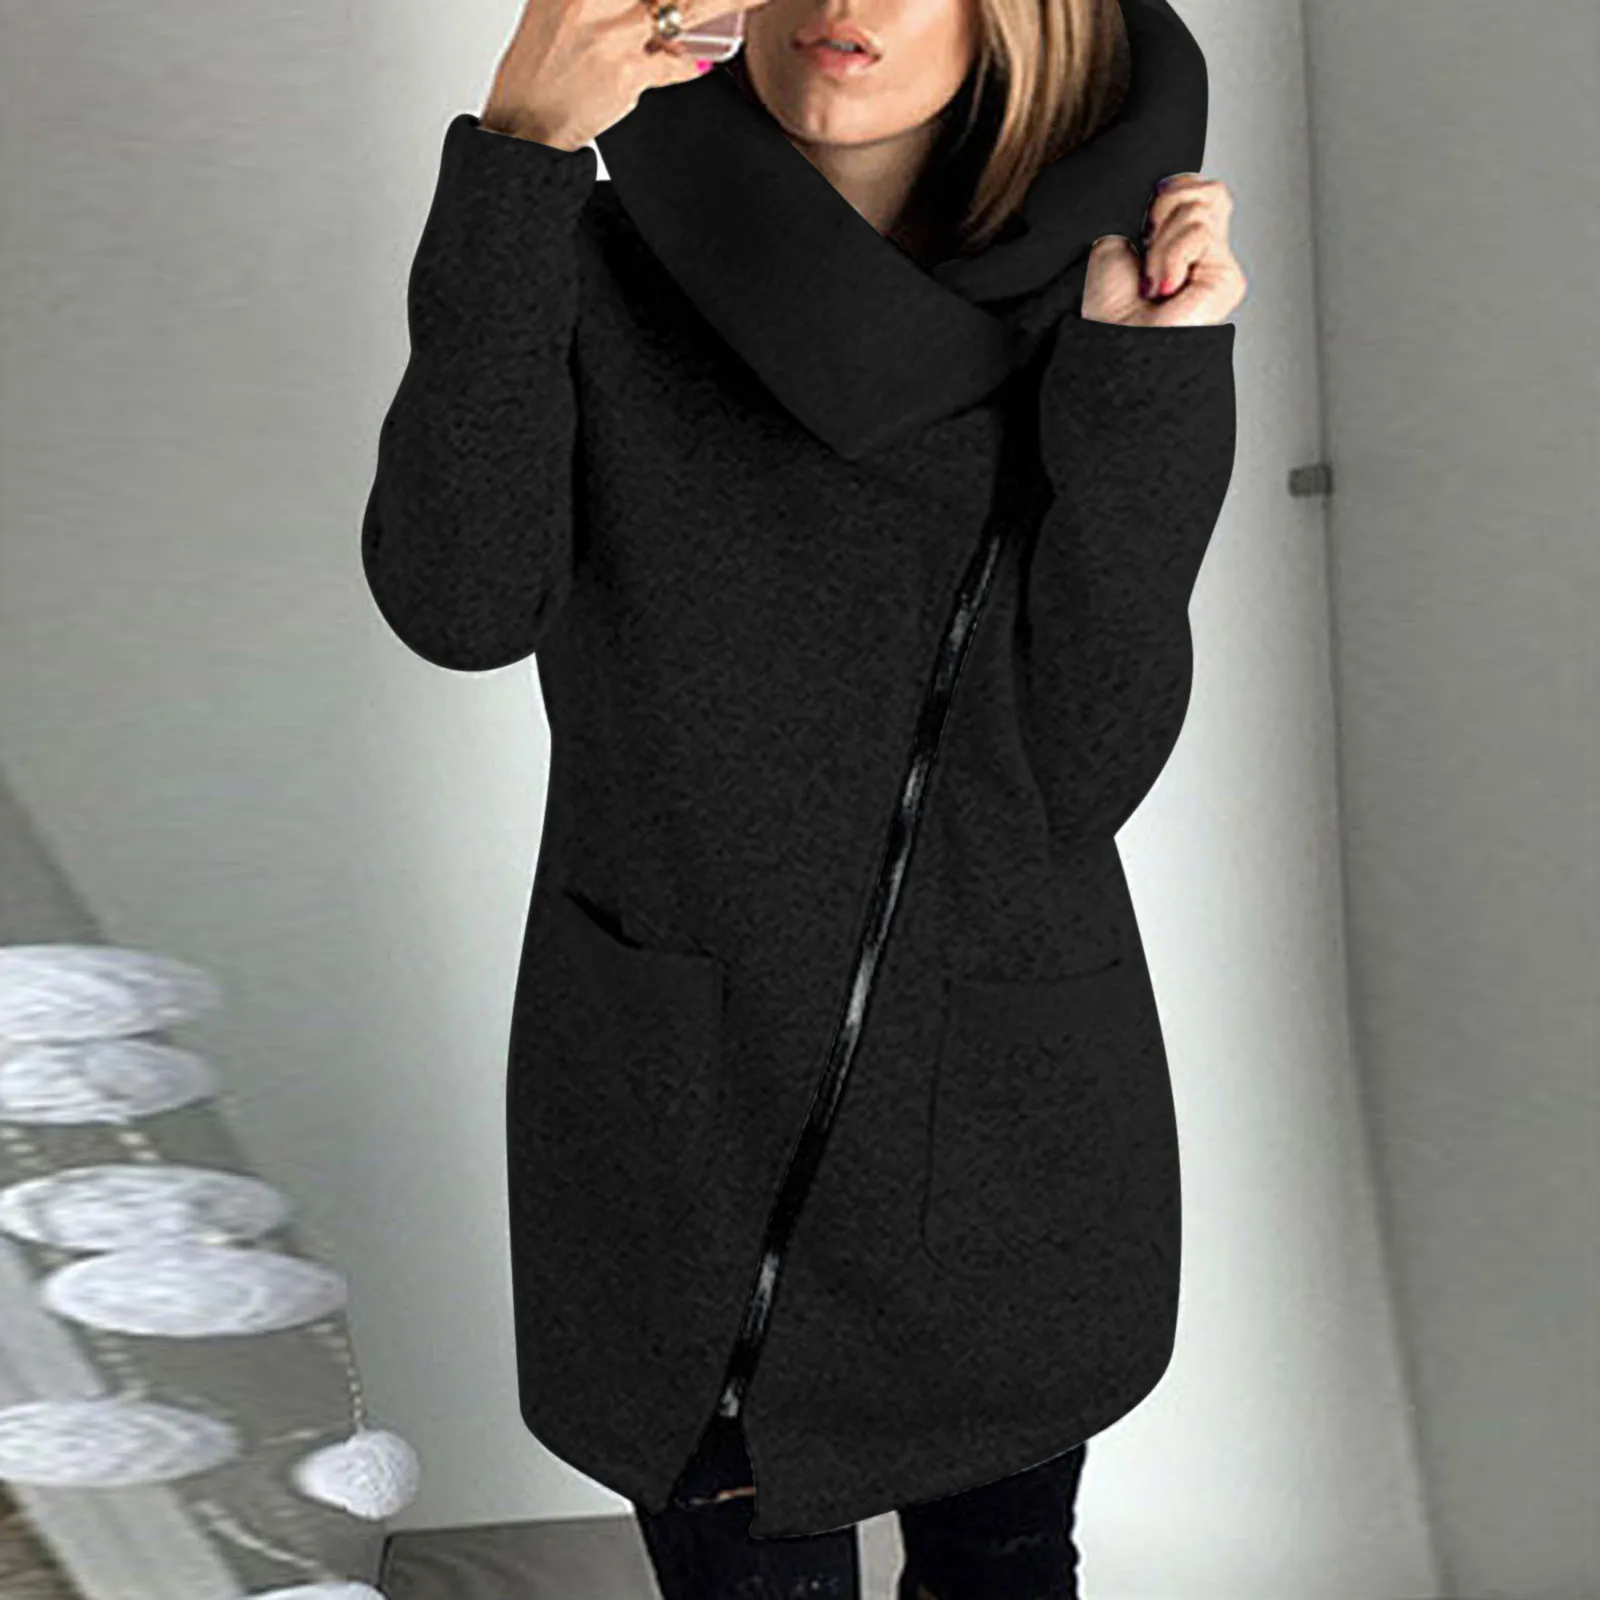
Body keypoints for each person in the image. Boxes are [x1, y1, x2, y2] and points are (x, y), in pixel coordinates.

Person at [359, 0, 1246, 1593]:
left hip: (1007, 1137)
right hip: (686, 1141)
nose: (846, 6)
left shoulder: (1097, 306)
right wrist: (516, 161)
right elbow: (458, 604)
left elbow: (1087, 762)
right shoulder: (584, 258)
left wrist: (1151, 385)